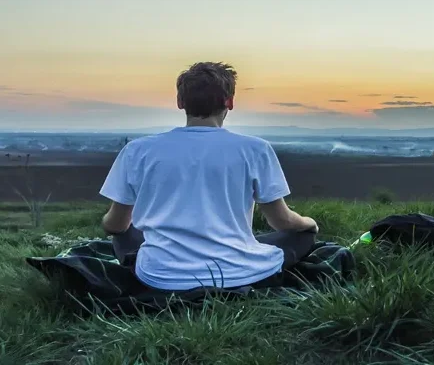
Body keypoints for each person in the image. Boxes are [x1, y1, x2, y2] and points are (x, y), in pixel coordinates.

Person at [99, 61, 319, 291]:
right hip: (239, 273)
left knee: (124, 233)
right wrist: (309, 224)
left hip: (160, 275)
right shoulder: (256, 149)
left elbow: (115, 225)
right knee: (302, 236)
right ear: (230, 102)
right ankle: (240, 254)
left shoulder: (138, 150)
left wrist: (116, 225)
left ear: (180, 102)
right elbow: (281, 221)